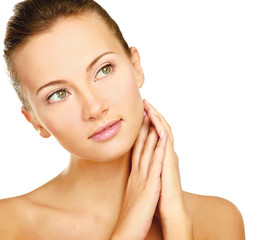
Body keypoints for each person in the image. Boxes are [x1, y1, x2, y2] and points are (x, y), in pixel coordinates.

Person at [0, 0, 245, 239]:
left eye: (103, 69)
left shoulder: (218, 220)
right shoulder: (8, 225)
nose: (94, 108)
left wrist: (176, 222)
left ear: (136, 66)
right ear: (35, 121)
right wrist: (128, 229)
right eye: (58, 94)